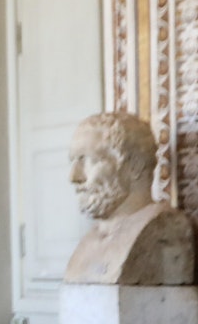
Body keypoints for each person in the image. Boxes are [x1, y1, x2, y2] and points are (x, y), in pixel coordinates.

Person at [65, 111, 195, 285]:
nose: (74, 177)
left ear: (134, 166)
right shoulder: (89, 240)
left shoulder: (164, 229)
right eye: (73, 161)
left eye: (88, 160)